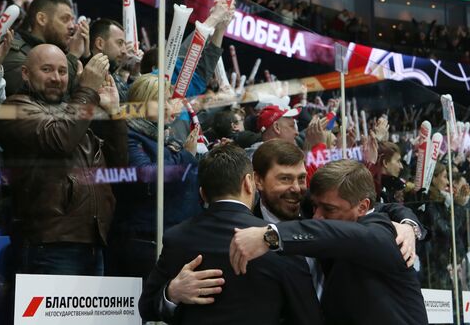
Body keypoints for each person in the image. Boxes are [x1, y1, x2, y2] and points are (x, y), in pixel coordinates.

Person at [138, 144, 323, 325]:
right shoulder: (278, 240)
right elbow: (308, 317)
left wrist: (171, 292)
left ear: (202, 194)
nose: (296, 188)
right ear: (249, 183)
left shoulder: (176, 238)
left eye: (301, 179)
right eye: (284, 179)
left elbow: (147, 308)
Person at [229, 159, 428, 325]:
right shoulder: (350, 211)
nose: (317, 217)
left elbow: (337, 235)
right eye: (316, 207)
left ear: (362, 207)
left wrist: (270, 236)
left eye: (329, 209)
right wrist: (409, 222)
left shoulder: (386, 236)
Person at [0, 44, 127, 275]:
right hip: (49, 244)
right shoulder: (16, 107)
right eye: (47, 69)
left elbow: (117, 167)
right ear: (26, 74)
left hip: (92, 243)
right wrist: (87, 89)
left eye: (62, 71)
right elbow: (60, 139)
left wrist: (113, 114)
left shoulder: (75, 112)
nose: (56, 78)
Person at [106, 73, 202, 281]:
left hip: (170, 240)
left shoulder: (164, 139)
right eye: (165, 100)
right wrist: (186, 155)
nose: (173, 107)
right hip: (143, 244)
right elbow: (148, 177)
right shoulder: (130, 137)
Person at [3, 0, 89, 96]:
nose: (72, 26)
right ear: (41, 19)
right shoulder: (12, 49)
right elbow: (43, 95)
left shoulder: (62, 53)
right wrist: (73, 55)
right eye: (65, 19)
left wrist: (86, 55)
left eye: (72, 20)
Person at [89, 18, 129, 102]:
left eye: (125, 44)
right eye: (120, 43)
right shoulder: (81, 78)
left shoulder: (116, 78)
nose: (125, 51)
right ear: (100, 43)